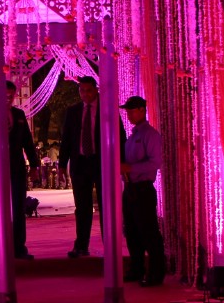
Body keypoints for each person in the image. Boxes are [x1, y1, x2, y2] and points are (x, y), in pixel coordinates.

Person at [58, 76, 124, 258]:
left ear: (95, 90)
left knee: (106, 205)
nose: (85, 94)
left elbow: (120, 135)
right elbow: (66, 141)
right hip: (80, 163)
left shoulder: (108, 109)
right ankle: (81, 245)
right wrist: (62, 165)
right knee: (82, 206)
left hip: (102, 162)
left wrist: (122, 162)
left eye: (88, 90)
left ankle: (110, 245)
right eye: (81, 90)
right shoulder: (73, 112)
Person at [0, 80, 39, 260]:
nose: (8, 99)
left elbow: (28, 142)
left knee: (19, 206)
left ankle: (19, 247)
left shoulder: (19, 114)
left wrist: (34, 165)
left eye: (11, 96)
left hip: (17, 166)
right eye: (5, 95)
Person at [119, 95, 166, 286]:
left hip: (143, 188)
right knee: (131, 231)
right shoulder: (132, 136)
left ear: (142, 110)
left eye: (132, 110)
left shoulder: (150, 135)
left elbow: (155, 162)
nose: (129, 114)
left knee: (148, 231)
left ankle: (155, 273)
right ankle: (137, 268)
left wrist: (131, 168)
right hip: (130, 187)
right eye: (127, 110)